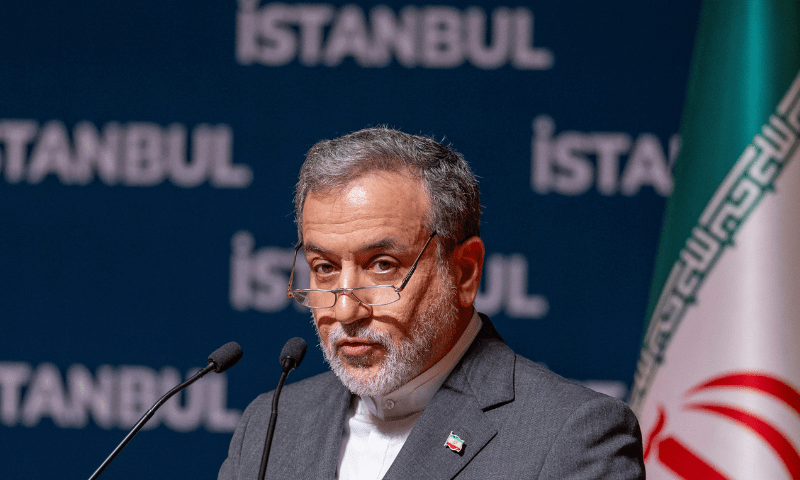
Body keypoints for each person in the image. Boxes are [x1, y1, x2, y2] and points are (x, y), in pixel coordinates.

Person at [218, 127, 645, 479]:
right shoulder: (271, 425)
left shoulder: (571, 436)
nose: (345, 311)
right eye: (324, 267)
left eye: (383, 265)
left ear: (464, 272)